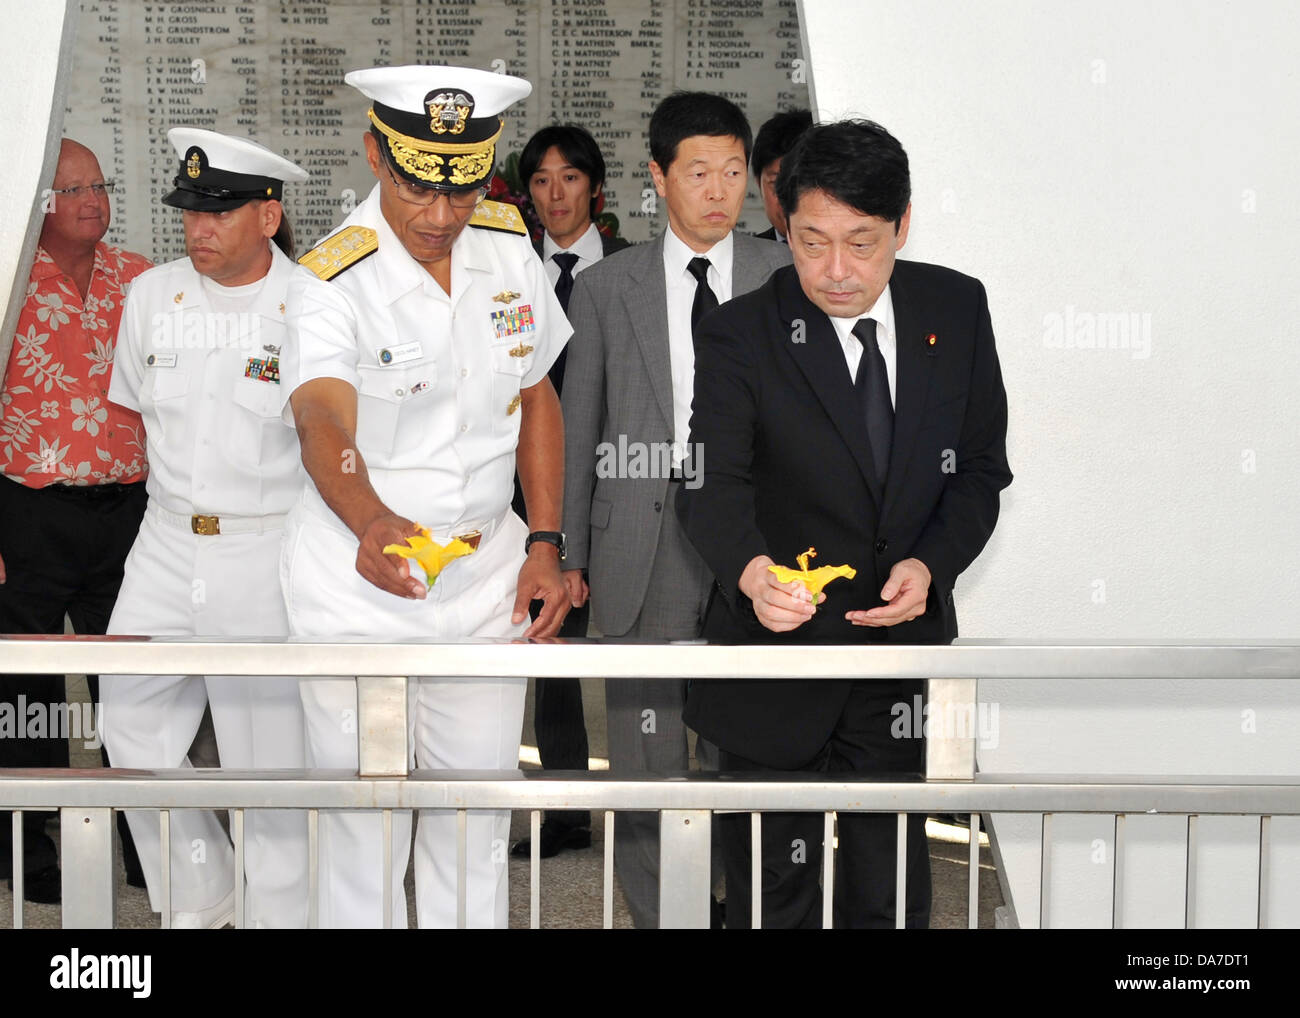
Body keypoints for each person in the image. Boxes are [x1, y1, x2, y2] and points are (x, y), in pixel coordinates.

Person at [675, 120, 1013, 928]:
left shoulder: (955, 308)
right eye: (812, 241)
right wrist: (753, 574)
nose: (835, 272)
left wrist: (932, 565)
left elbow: (978, 471)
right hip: (772, 664)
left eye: (862, 243)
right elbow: (709, 483)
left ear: (902, 224)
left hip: (897, 663)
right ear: (784, 224)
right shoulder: (739, 333)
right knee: (771, 894)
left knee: (890, 893)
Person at [281, 65, 571, 929]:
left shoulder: (506, 243)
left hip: (482, 576)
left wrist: (545, 542)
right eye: (415, 186)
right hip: (359, 584)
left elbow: (537, 395)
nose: (439, 216)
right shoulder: (332, 275)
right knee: (364, 825)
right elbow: (320, 421)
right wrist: (372, 523)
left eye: (462, 187)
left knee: (474, 818)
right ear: (375, 154)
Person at [560, 91, 790, 928]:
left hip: (753, 547)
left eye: (734, 171)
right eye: (700, 172)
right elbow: (580, 423)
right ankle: (667, 917)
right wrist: (568, 552)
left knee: (748, 751)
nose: (720, 190)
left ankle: (744, 909)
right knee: (646, 760)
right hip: (639, 547)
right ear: (658, 178)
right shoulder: (603, 288)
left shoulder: (781, 274)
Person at [101, 128, 313, 928]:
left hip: (266, 544)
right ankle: (205, 896)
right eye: (191, 209)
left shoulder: (311, 303)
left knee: (269, 760)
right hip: (162, 539)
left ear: (268, 215)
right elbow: (135, 413)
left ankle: (281, 918)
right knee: (127, 719)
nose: (200, 228)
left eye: (220, 211)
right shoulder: (152, 295)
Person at [0, 139, 150, 903]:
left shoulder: (142, 278)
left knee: (129, 688)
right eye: (73, 189)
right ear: (36, 202)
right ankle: (30, 845)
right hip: (29, 510)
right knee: (27, 695)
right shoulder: (10, 277)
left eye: (99, 183)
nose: (92, 198)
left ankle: (144, 843)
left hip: (128, 512)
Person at [510, 124, 630, 861]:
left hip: (621, 481)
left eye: (571, 179)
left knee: (632, 646)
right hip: (531, 489)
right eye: (543, 182)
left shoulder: (632, 270)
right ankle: (562, 807)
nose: (556, 195)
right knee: (545, 645)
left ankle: (653, 799)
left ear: (596, 188)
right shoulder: (508, 272)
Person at [751, 109, 812, 243]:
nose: (789, 199)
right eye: (777, 183)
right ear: (758, 184)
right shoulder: (741, 261)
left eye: (803, 183)